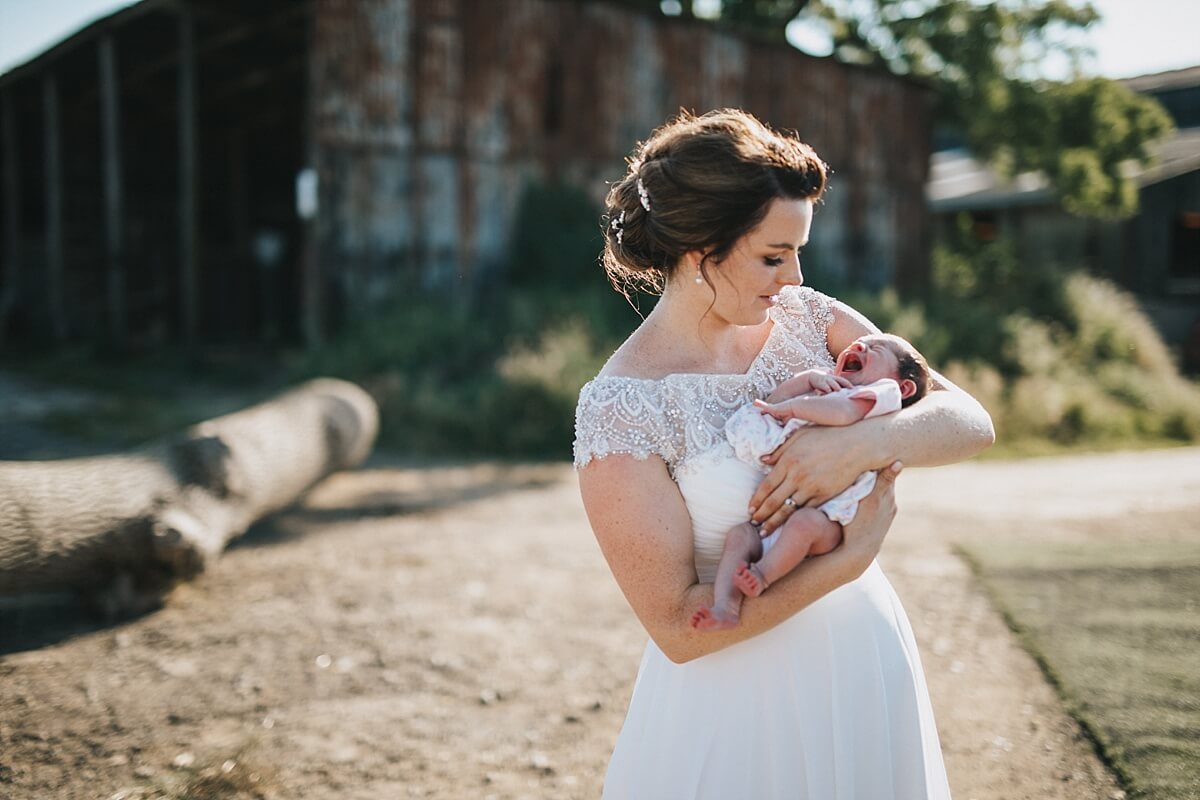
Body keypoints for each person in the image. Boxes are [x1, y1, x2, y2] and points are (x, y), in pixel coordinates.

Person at [574, 108, 994, 799]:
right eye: (773, 255)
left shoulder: (811, 321)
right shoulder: (624, 406)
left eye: (797, 251)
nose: (794, 276)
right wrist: (846, 564)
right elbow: (680, 628)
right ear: (697, 248)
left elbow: (969, 420)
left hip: (863, 661)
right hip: (737, 699)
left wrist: (861, 444)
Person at [692, 333, 932, 632]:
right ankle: (725, 606)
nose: (859, 346)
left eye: (875, 349)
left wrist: (795, 406)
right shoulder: (827, 392)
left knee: (803, 525)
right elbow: (770, 404)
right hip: (778, 519)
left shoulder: (884, 395)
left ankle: (762, 576)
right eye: (859, 344)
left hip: (826, 516)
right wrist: (808, 380)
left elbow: (842, 414)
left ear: (903, 385)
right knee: (740, 537)